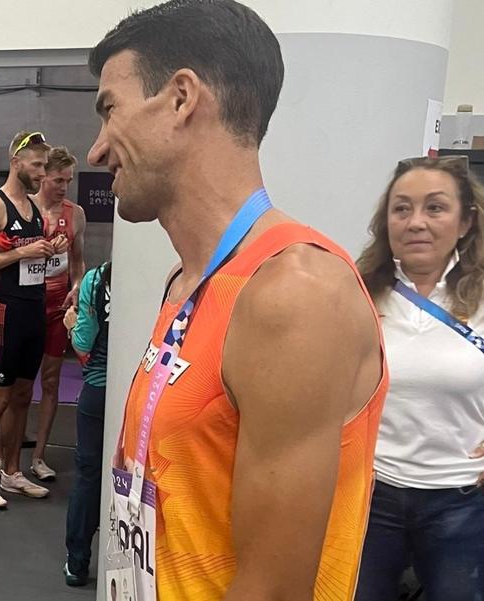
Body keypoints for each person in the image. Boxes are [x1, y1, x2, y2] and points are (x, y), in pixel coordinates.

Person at [88, 2, 387, 599]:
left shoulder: (294, 293)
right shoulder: (189, 281)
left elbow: (272, 591)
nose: (96, 150)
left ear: (180, 99)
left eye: (108, 111)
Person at [354, 155, 484, 601]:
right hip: (370, 495)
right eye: (402, 208)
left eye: (435, 208)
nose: (416, 222)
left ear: (465, 222)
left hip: (461, 500)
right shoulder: (358, 292)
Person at [0, 131, 65, 508]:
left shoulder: (34, 209)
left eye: (45, 166)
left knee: (24, 395)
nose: (42, 172)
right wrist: (21, 256)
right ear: (16, 163)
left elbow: (30, 254)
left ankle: (11, 471)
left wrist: (48, 250)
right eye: (36, 165)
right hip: (7, 310)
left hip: (34, 309)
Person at [30, 146, 87, 481]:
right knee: (17, 387)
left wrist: (77, 286)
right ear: (43, 177)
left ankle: (38, 456)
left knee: (50, 381)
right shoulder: (24, 209)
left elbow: (78, 261)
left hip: (56, 306)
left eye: (69, 180)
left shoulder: (75, 214)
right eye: (58, 179)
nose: (64, 186)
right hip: (25, 304)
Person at [62, 261, 110, 586]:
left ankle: (78, 562)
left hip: (99, 389)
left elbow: (82, 343)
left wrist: (70, 324)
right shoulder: (180, 273)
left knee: (89, 476)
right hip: (149, 390)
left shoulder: (101, 276)